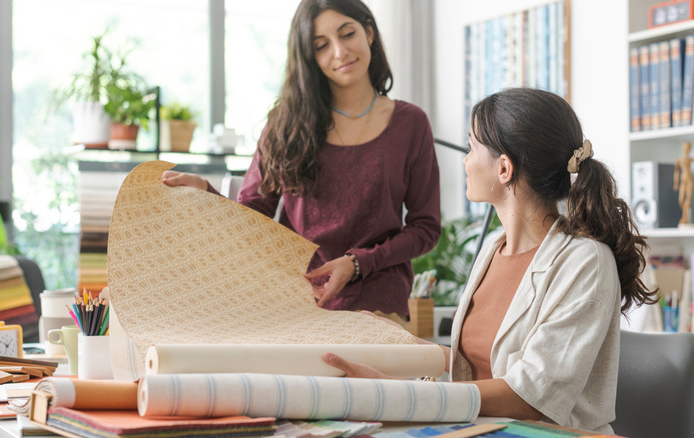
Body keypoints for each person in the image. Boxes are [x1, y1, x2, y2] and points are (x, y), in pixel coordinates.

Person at [323, 88, 658, 434]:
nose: (465, 160)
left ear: (503, 168)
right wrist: (406, 345)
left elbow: (529, 395)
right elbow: (481, 363)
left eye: (471, 148)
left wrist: (406, 395)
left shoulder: (586, 262)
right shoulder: (491, 251)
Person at [161, 0, 441, 326]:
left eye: (347, 33)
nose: (339, 52)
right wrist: (206, 194)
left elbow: (425, 228)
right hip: (292, 296)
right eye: (321, 46)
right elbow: (253, 216)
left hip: (377, 296)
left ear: (369, 32)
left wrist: (356, 263)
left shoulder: (410, 123)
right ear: (309, 59)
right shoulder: (285, 124)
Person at [674, 141, 694, 225]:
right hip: (683, 181)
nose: (686, 149)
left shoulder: (692, 159)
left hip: (689, 181)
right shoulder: (679, 159)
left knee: (688, 200)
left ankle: (685, 218)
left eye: (688, 147)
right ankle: (684, 216)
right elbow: (676, 172)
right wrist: (676, 183)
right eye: (685, 147)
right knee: (681, 200)